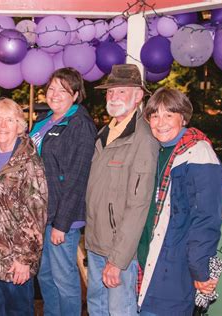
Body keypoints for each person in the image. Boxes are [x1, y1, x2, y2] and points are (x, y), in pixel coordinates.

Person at [137, 87, 222, 315]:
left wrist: (200, 269)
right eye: (155, 115)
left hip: (173, 270)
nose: (161, 122)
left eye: (169, 115)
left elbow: (206, 218)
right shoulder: (156, 151)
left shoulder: (198, 154)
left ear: (183, 118)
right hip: (146, 262)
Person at [85, 64, 159, 316]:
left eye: (121, 92)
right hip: (95, 243)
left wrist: (117, 260)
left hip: (117, 250)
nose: (113, 97)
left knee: (119, 310)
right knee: (97, 308)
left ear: (138, 96)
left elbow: (139, 206)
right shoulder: (105, 132)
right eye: (110, 92)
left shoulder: (144, 139)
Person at [0, 98, 48, 315]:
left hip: (14, 255)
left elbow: (36, 214)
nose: (2, 125)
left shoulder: (28, 161)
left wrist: (24, 259)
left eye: (9, 120)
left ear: (19, 126)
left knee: (17, 311)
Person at [30, 67, 97, 315]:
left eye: (63, 90)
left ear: (76, 94)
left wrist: (62, 223)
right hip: (41, 214)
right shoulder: (44, 121)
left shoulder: (80, 124)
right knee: (45, 276)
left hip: (61, 217)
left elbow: (78, 177)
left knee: (63, 279)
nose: (55, 94)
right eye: (51, 89)